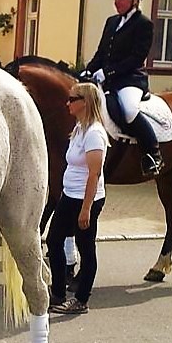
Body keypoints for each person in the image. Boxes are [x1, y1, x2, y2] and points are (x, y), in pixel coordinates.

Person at [83, 0, 161, 177]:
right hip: (108, 79)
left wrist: (108, 71)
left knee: (128, 110)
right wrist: (88, 70)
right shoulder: (112, 22)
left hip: (131, 79)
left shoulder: (144, 24)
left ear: (134, 0)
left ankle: (153, 153)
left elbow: (136, 58)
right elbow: (101, 53)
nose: (117, 2)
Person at [46, 82, 108, 315]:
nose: (68, 103)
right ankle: (59, 292)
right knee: (53, 240)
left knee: (85, 247)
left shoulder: (94, 133)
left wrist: (86, 209)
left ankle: (82, 299)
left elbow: (94, 173)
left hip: (85, 199)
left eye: (72, 99)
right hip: (69, 195)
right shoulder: (79, 129)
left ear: (85, 102)